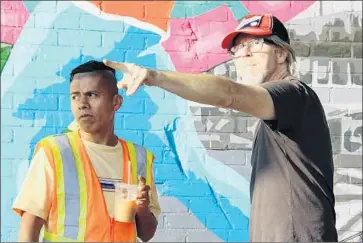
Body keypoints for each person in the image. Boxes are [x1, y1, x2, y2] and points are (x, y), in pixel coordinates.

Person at [103, 13, 338, 242]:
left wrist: (155, 76)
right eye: (236, 48)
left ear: (280, 53)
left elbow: (230, 94)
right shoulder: (274, 115)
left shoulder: (294, 95)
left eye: (255, 43)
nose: (243, 53)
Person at [12, 61, 161, 242]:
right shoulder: (55, 152)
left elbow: (146, 234)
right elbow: (30, 225)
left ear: (116, 102)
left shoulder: (139, 158)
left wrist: (142, 208)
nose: (82, 104)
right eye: (75, 96)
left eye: (92, 94)